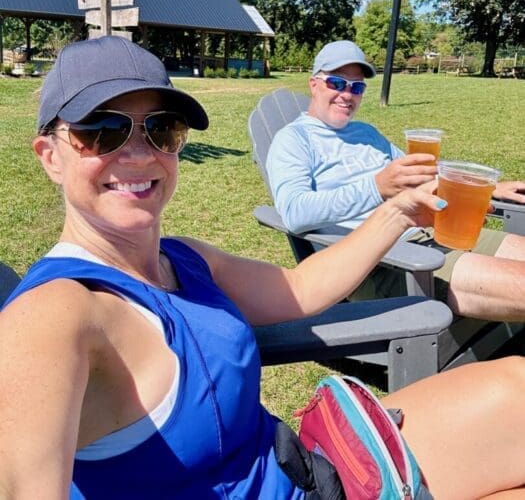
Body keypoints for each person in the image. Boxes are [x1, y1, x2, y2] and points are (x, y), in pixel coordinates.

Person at [1, 35, 524, 499]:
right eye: (102, 130)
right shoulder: (51, 318)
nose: (139, 154)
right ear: (50, 155)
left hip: (320, 471)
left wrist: (393, 211)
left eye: (161, 129)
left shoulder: (186, 259)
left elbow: (298, 288)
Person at [266, 40, 525, 321]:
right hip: (383, 263)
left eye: (357, 87)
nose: (347, 94)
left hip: (427, 234)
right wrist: (376, 188)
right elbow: (294, 212)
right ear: (314, 84)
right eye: (337, 83)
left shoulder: (367, 133)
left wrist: (487, 187)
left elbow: (420, 174)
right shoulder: (293, 139)